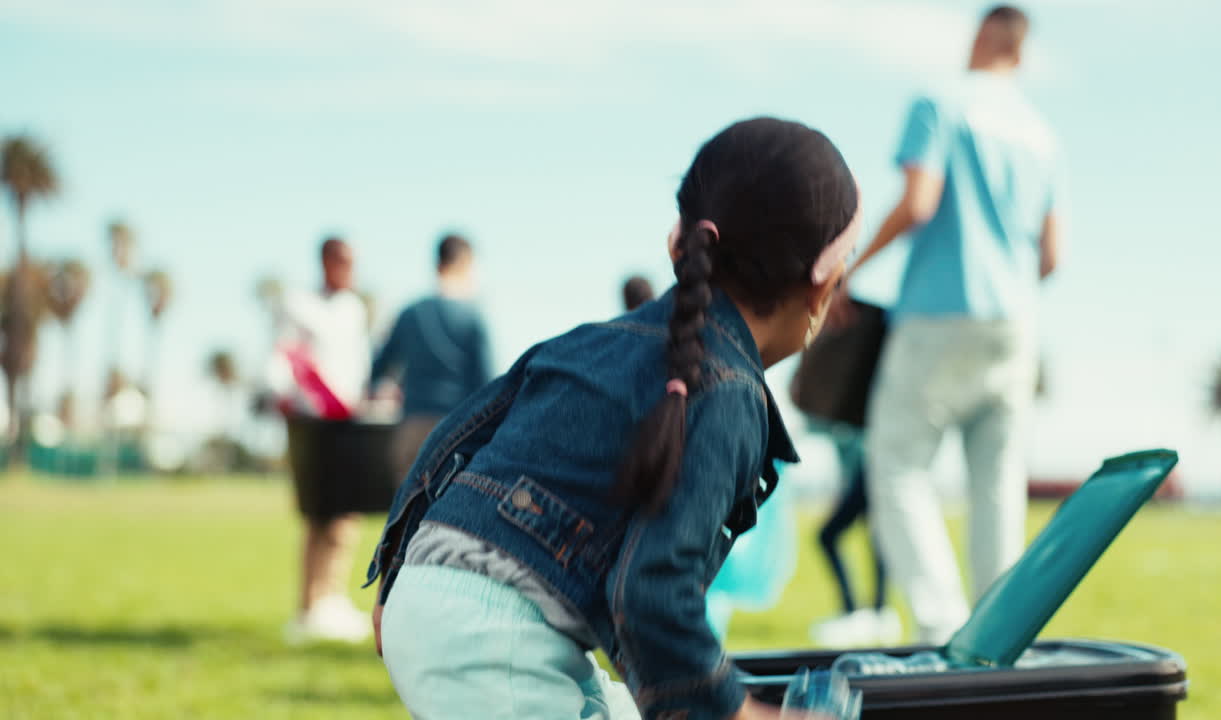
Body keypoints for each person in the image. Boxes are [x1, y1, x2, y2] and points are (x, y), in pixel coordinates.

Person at [367, 117, 861, 720]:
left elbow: (458, 435)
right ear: (822, 283)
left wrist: (397, 570)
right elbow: (653, 593)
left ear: (679, 241)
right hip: (495, 633)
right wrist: (740, 714)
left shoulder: (592, 340)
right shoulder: (729, 394)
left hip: (440, 595)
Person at [856, 5, 1062, 645]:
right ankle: (998, 642)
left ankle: (943, 631)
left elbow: (918, 202)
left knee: (897, 465)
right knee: (998, 487)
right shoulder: (1041, 134)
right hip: (1014, 323)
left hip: (938, 313)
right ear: (1020, 53)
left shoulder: (940, 102)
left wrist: (847, 270)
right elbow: (1052, 257)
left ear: (981, 38)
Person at [267, 236, 373, 643]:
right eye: (345, 261)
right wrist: (286, 397)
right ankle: (308, 606)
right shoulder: (299, 304)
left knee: (346, 516)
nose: (351, 270)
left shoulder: (353, 309)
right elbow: (282, 357)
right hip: (313, 423)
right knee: (318, 514)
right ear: (327, 261)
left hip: (350, 422)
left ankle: (333, 599)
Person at [370, 233, 493, 481]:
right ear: (466, 263)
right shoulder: (473, 317)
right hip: (458, 430)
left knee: (408, 503)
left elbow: (379, 369)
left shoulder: (410, 312)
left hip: (413, 427)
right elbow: (486, 385)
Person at [808, 426, 897, 647]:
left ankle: (860, 612)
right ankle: (878, 613)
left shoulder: (841, 418)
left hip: (869, 470)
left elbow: (857, 447)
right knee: (876, 539)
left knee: (828, 536)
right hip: (868, 470)